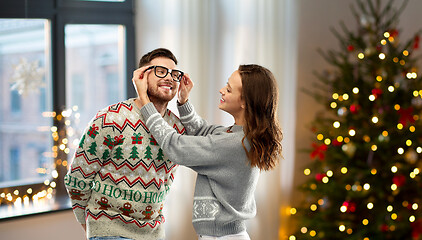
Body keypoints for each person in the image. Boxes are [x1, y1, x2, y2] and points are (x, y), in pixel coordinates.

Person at [133, 64, 283, 239]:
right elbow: (203, 131)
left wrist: (144, 100)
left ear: (245, 101)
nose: (221, 90)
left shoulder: (235, 143)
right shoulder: (238, 135)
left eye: (228, 89)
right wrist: (183, 102)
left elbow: (175, 146)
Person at [64, 48, 186, 240]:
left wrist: (184, 102)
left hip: (155, 233)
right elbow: (78, 179)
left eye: (174, 74)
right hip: (109, 231)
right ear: (142, 76)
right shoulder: (111, 118)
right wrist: (90, 226)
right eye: (161, 71)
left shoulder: (176, 128)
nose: (169, 77)